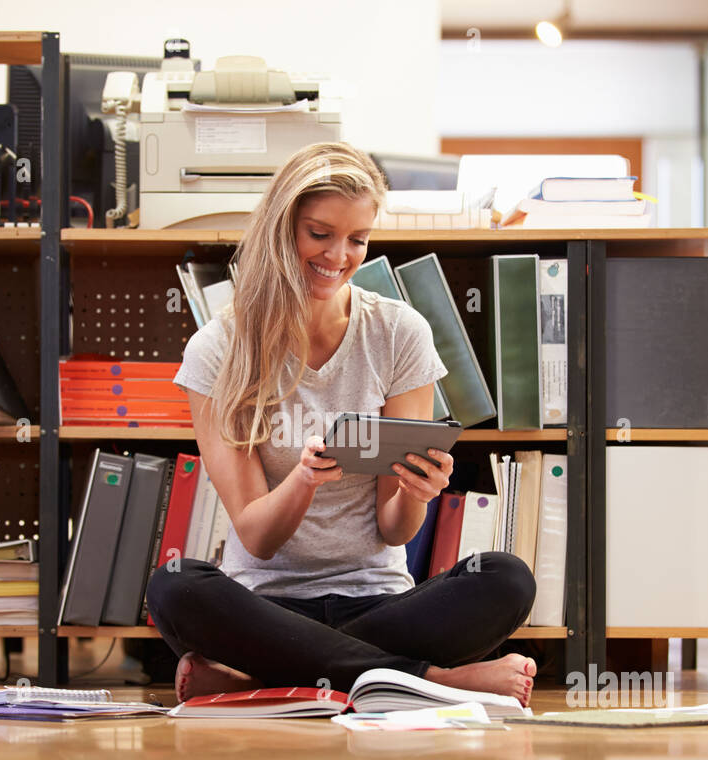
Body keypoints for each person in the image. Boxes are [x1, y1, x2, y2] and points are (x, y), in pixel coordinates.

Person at [146, 141, 538, 705]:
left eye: (358, 238)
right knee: (175, 585)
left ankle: (265, 681)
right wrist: (305, 480)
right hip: (264, 604)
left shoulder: (399, 333)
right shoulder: (219, 349)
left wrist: (415, 493)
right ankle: (429, 682)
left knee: (505, 578)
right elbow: (256, 538)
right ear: (284, 230)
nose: (340, 255)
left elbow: (395, 530)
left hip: (377, 601)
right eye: (320, 233)